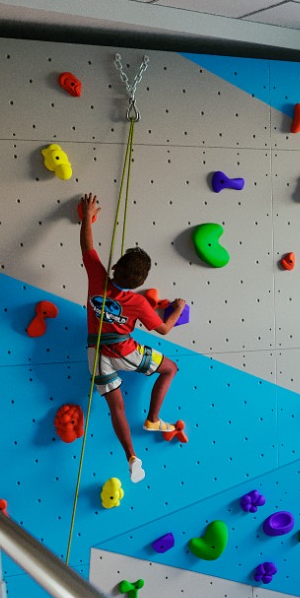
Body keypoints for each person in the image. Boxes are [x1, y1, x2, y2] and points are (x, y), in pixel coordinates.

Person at [78, 192, 185, 483]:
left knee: (117, 408)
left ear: (115, 268)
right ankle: (152, 419)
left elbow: (87, 245)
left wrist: (87, 217)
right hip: (125, 351)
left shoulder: (97, 277)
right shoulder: (139, 304)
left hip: (96, 354)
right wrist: (176, 310)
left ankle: (131, 456)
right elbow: (163, 329)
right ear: (140, 283)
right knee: (170, 368)